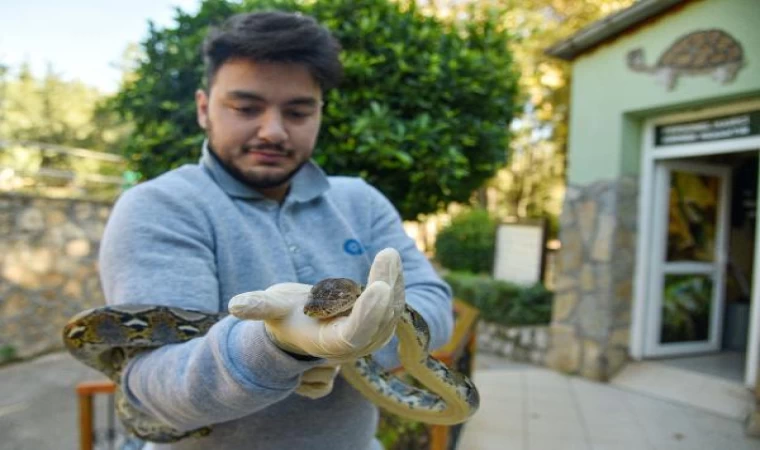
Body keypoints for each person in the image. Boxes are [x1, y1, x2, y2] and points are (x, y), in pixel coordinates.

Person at [98, 9, 454, 450]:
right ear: (204, 108)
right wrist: (279, 346)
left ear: (320, 113)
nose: (272, 131)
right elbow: (156, 387)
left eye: (299, 111)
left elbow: (433, 302)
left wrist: (352, 342)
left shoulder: (361, 201)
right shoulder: (157, 207)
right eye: (246, 107)